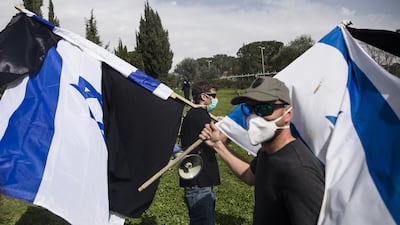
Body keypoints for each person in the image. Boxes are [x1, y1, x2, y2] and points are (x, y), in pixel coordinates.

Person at [199, 77, 325, 225]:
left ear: (288, 114)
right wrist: (218, 145)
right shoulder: (267, 152)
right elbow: (249, 176)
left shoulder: (300, 171)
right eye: (248, 109)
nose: (254, 118)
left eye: (264, 109)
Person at [179, 80, 220, 225]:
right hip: (199, 182)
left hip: (200, 180)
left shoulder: (196, 114)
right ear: (204, 96)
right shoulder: (200, 114)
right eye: (213, 96)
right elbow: (216, 141)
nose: (215, 99)